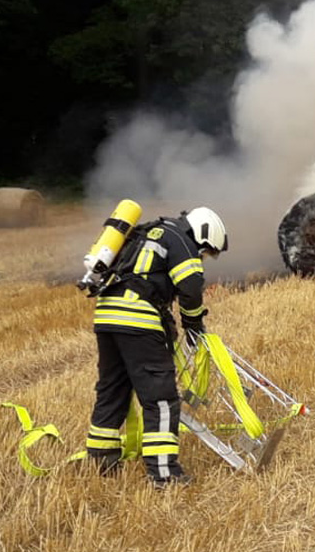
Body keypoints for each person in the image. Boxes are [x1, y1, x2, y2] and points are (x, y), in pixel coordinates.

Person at [85, 206, 229, 488]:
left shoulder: (148, 232)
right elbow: (190, 285)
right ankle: (164, 473)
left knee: (112, 389)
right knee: (160, 399)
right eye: (205, 251)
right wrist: (193, 324)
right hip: (137, 319)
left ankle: (102, 459)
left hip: (106, 316)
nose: (201, 256)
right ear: (203, 233)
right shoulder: (182, 241)